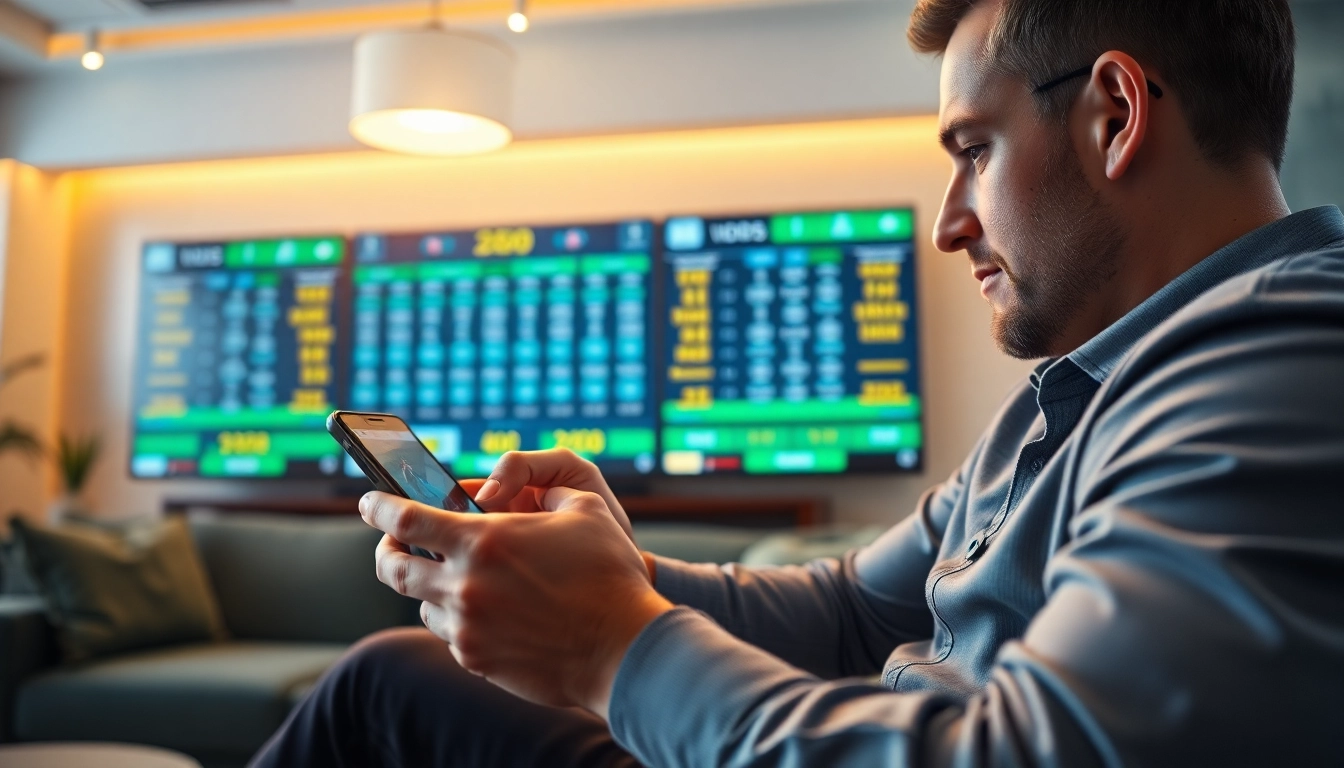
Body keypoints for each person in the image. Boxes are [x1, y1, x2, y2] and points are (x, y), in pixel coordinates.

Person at [252, 0, 1344, 765]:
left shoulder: (1282, 354)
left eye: (973, 149)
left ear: (1114, 113)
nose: (949, 221)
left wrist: (605, 644)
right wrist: (612, 570)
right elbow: (851, 608)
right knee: (388, 677)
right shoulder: (1083, 387)